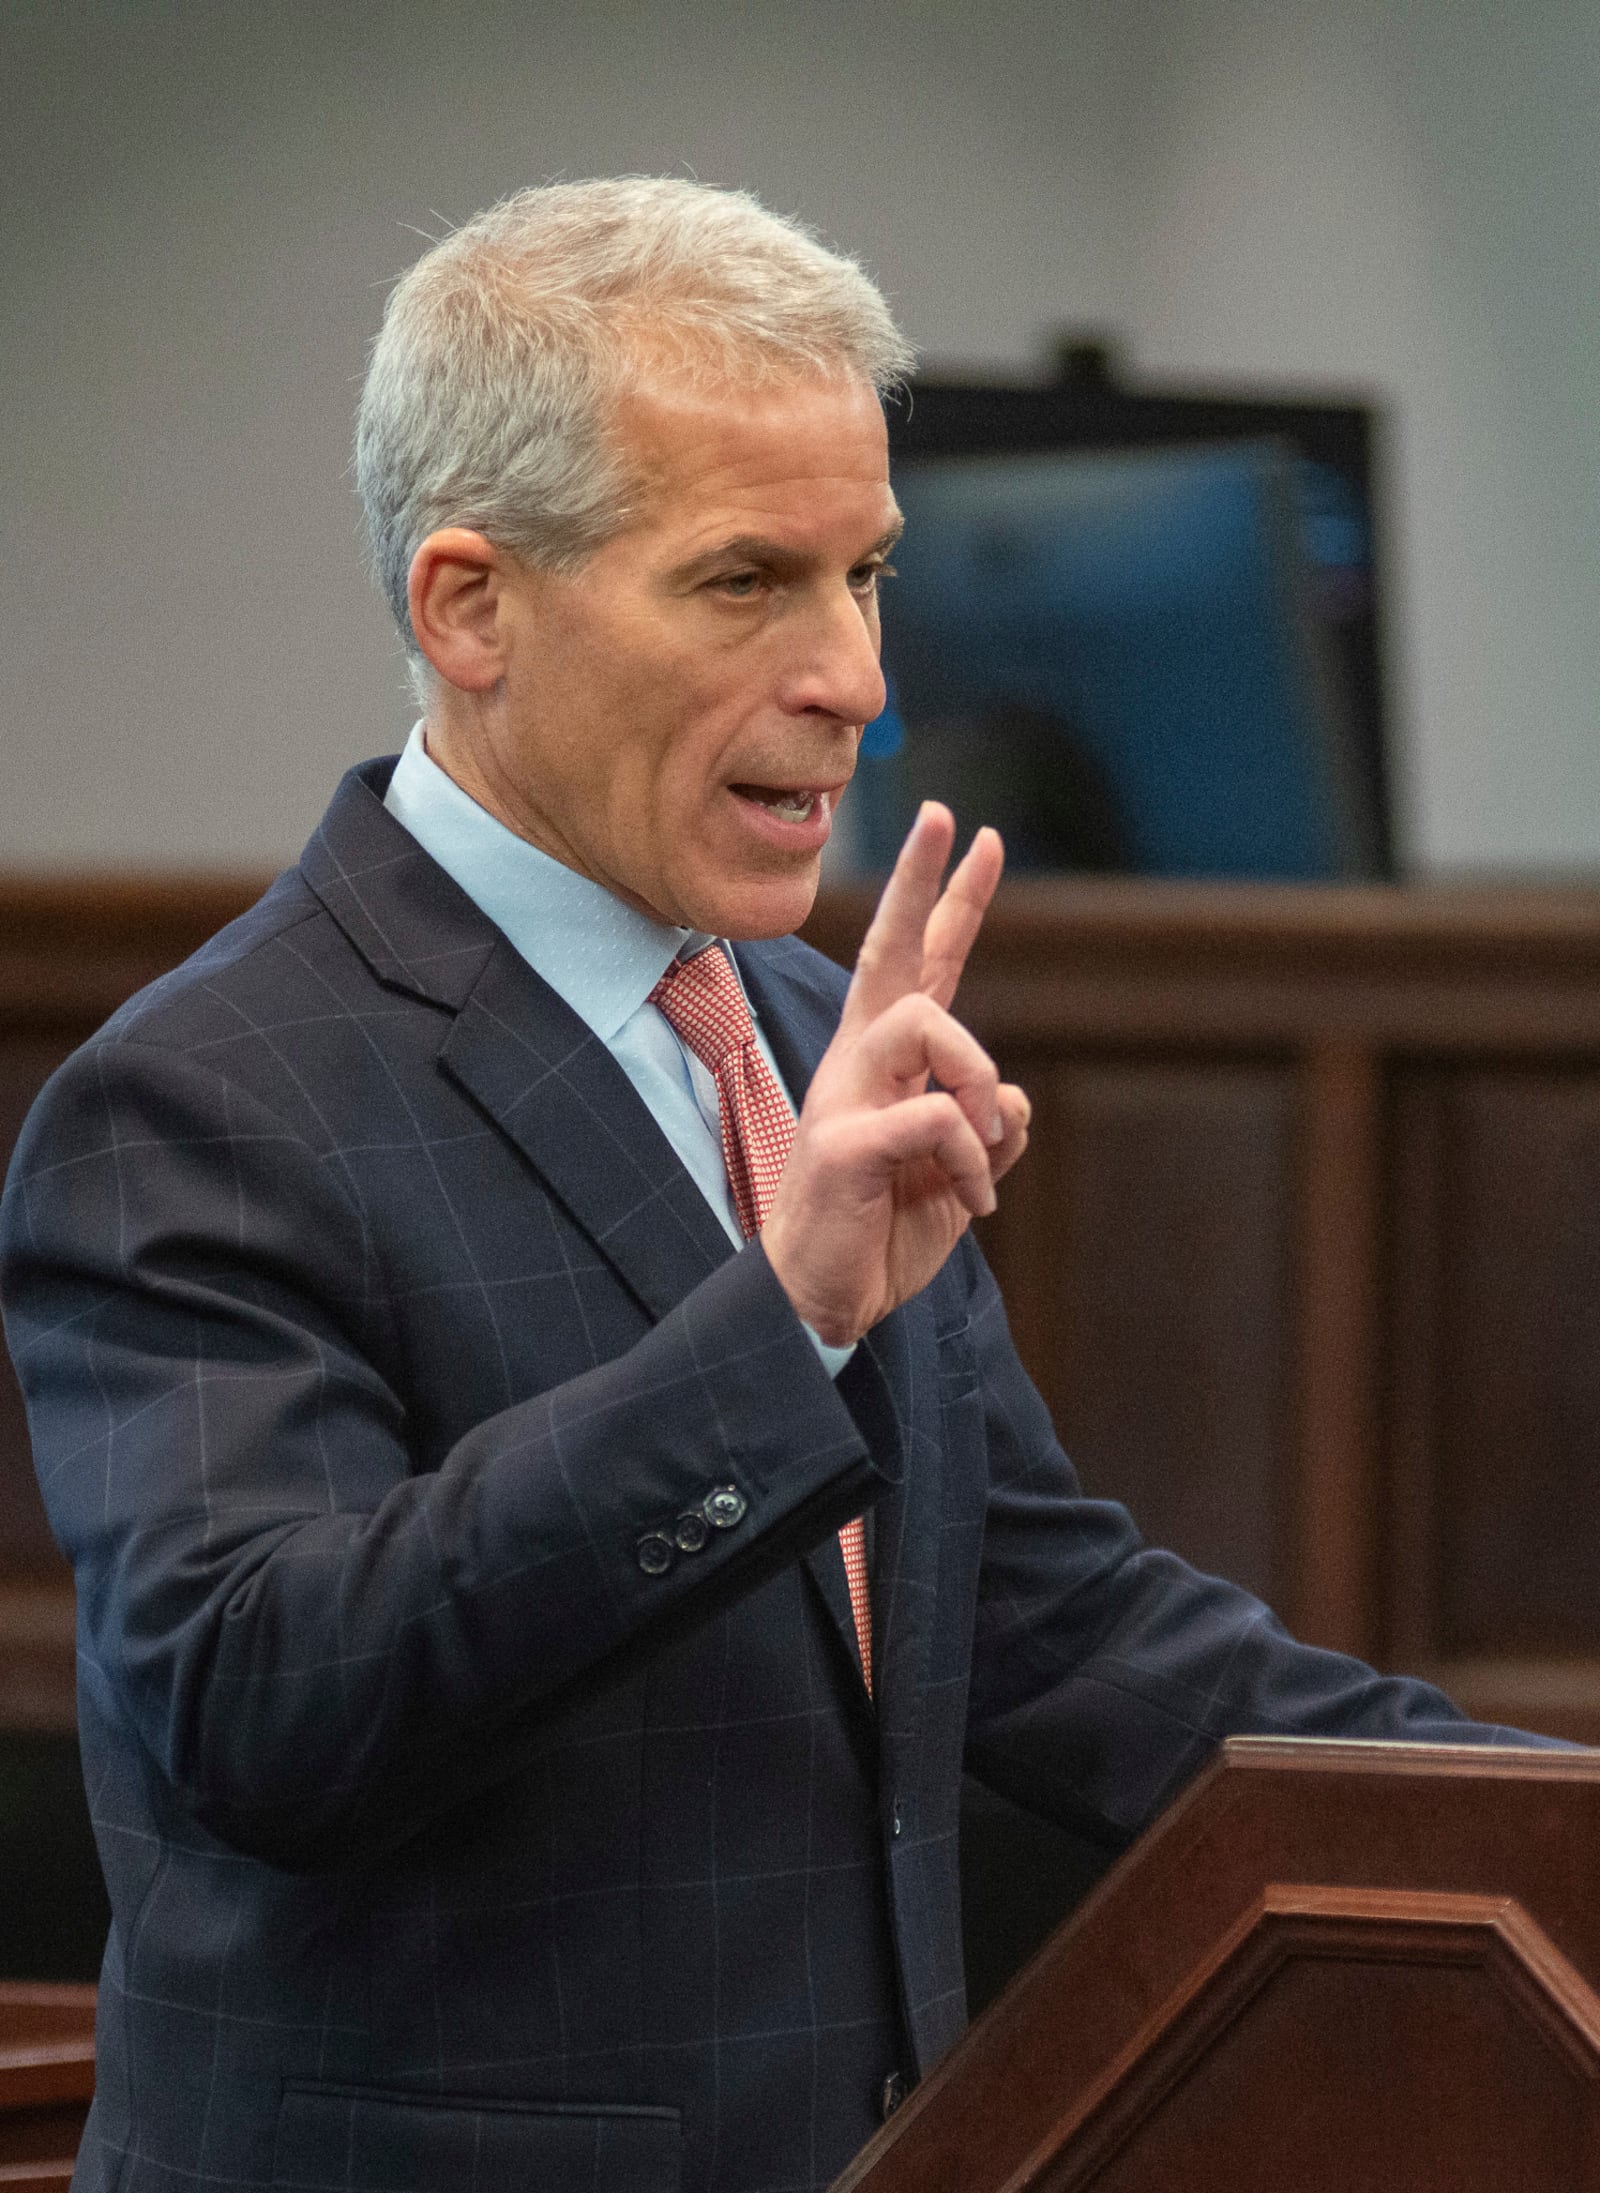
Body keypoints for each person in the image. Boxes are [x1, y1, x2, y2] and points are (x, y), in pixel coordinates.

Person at [0, 179, 1537, 2193]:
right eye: (744, 584)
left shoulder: (807, 1030)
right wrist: (783, 1324)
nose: (852, 682)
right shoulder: (200, 1097)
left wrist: (1544, 1825)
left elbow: (1040, 1628)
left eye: (866, 575)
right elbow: (267, 1709)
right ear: (467, 605)